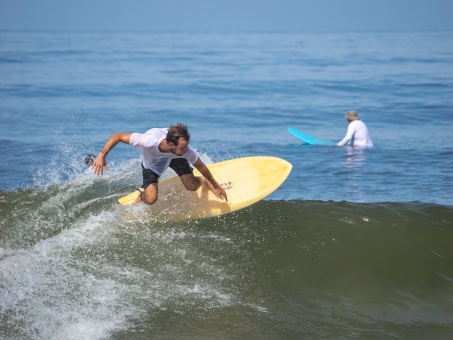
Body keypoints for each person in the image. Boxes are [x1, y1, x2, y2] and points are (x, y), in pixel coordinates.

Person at [90, 123, 228, 205]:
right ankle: (142, 194)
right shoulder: (147, 141)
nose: (187, 150)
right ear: (170, 144)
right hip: (152, 163)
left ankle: (202, 181)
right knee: (151, 199)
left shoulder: (182, 150)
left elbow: (201, 166)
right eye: (183, 147)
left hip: (174, 157)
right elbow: (117, 136)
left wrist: (215, 185)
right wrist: (102, 155)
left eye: (187, 146)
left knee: (191, 186)